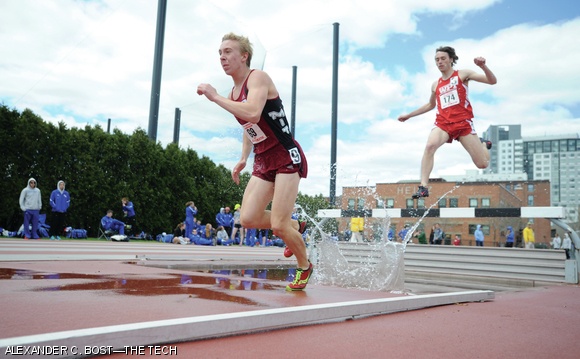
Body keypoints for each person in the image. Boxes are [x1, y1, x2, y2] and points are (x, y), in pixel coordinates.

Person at [197, 32, 311, 291]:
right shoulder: (233, 92)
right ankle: (295, 226)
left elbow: (253, 111)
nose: (222, 57)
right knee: (247, 218)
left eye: (228, 52)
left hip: (285, 156)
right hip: (263, 159)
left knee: (277, 225)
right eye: (220, 53)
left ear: (244, 56)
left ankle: (304, 267)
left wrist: (215, 97)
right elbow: (249, 125)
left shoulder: (257, 77)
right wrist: (243, 158)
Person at [397, 46, 497, 199]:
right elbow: (431, 105)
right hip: (443, 124)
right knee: (430, 146)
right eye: (437, 60)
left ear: (451, 59)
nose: (440, 62)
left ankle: (483, 144)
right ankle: (423, 187)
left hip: (463, 124)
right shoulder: (435, 84)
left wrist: (483, 66)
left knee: (482, 164)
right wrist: (409, 115)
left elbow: (492, 81)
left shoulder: (463, 74)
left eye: (443, 58)